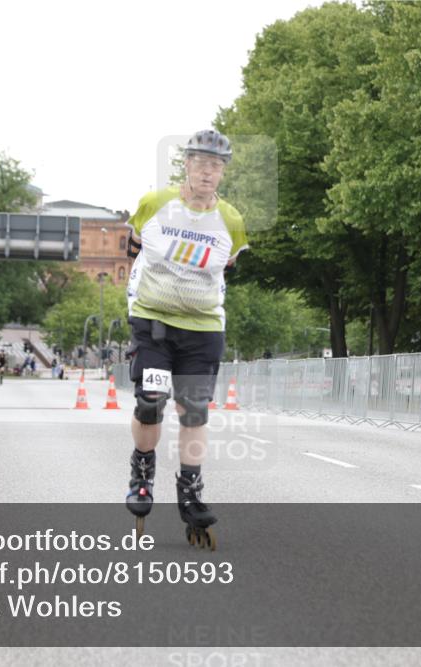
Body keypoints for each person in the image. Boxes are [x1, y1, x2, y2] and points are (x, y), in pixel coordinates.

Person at [122, 129, 248, 549]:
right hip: (154, 321)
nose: (208, 171)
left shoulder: (231, 221)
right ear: (187, 165)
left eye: (216, 165)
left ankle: (190, 493)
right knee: (150, 401)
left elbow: (226, 270)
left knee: (194, 410)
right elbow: (133, 250)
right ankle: (142, 472)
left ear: (222, 173)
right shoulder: (154, 205)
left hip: (203, 328)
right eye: (201, 163)